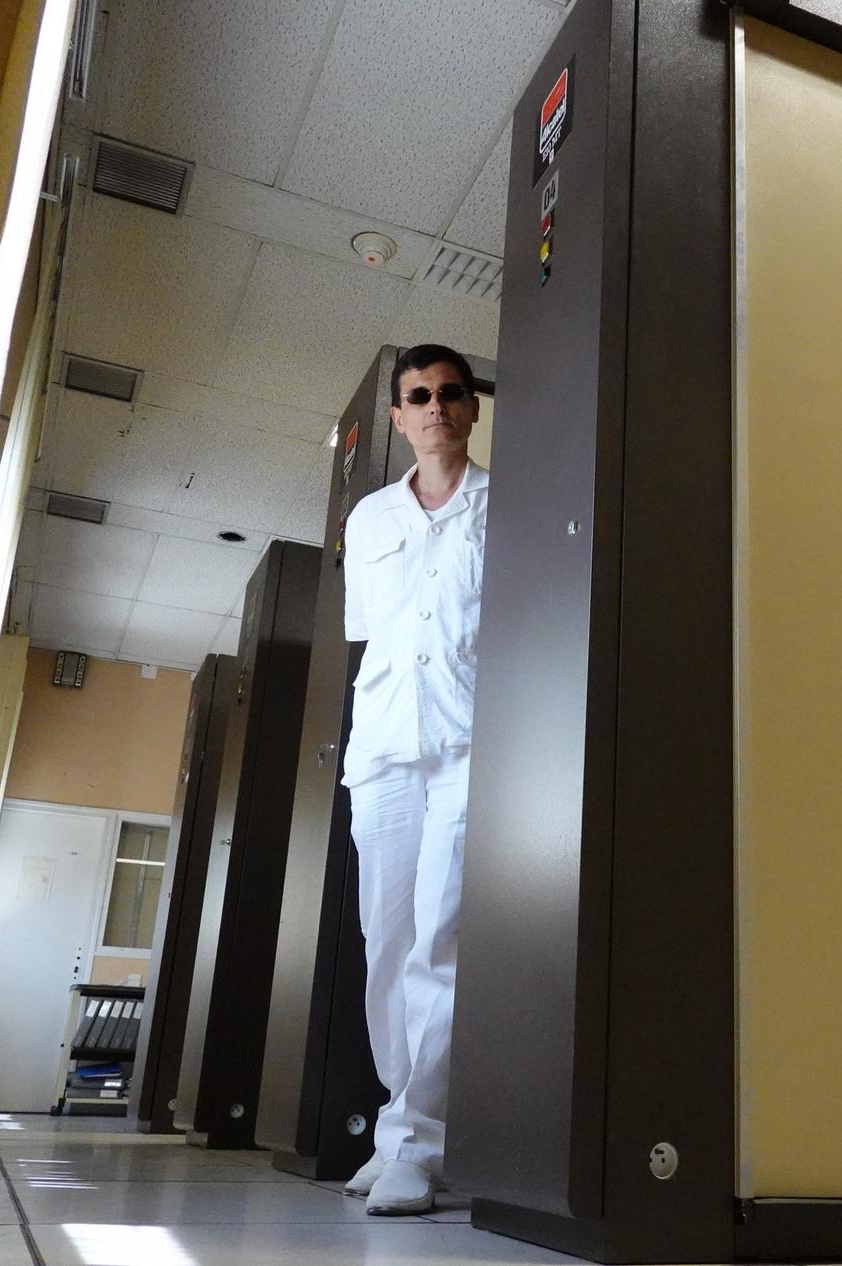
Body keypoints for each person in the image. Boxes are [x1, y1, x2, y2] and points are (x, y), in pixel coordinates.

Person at [337, 344, 487, 1215]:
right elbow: (370, 632)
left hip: (469, 748)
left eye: (450, 393)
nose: (435, 406)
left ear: (471, 408)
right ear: (397, 417)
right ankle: (399, 1121)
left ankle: (418, 1146)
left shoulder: (507, 507)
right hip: (385, 750)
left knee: (440, 940)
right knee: (386, 941)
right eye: (419, 395)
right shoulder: (370, 520)